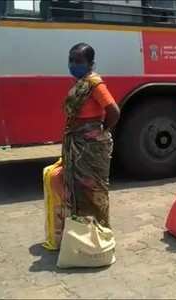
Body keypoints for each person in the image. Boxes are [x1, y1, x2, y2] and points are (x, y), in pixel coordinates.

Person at [62, 43, 120, 228]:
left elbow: (114, 111)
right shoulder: (81, 83)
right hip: (78, 143)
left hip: (91, 145)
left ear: (90, 64)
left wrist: (101, 131)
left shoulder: (94, 84)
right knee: (80, 189)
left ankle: (99, 232)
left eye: (78, 61)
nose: (73, 64)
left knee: (93, 189)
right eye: (71, 60)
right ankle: (83, 230)